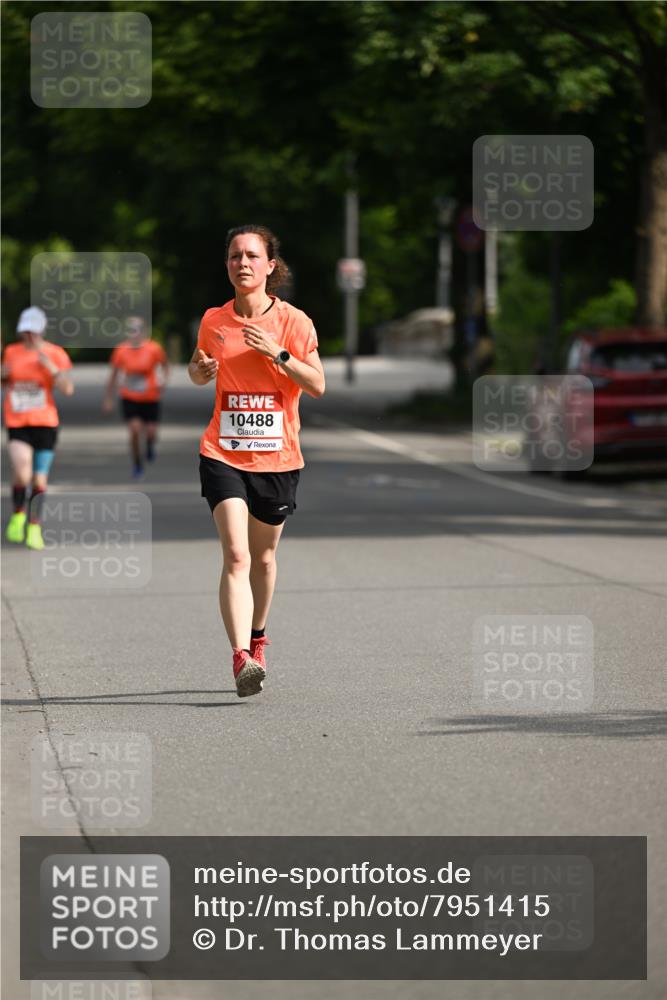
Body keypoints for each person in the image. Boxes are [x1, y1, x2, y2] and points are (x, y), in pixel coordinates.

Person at [189, 225, 325, 697]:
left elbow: (317, 384)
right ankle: (240, 657)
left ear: (270, 266)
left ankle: (258, 636)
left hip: (278, 457)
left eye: (251, 255)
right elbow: (196, 366)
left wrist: (279, 353)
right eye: (233, 256)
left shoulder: (295, 322)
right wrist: (200, 371)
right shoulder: (214, 320)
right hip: (222, 452)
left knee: (264, 558)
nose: (241, 263)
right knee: (237, 554)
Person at [2, 306, 74, 550]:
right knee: (22, 470)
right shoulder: (11, 352)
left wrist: (51, 368)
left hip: (45, 423)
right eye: (25, 331)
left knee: (39, 479)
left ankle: (34, 526)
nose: (29, 336)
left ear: (41, 330)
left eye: (33, 331)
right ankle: (18, 513)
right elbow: (4, 381)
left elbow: (67, 389)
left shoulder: (55, 353)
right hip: (17, 422)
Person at [103, 316, 169, 478]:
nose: (134, 334)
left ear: (143, 332)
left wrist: (164, 382)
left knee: (151, 432)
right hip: (129, 396)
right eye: (131, 330)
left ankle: (149, 444)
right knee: (134, 430)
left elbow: (165, 366)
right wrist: (109, 398)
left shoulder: (154, 348)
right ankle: (137, 463)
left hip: (150, 396)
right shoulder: (121, 350)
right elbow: (113, 375)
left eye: (137, 330)